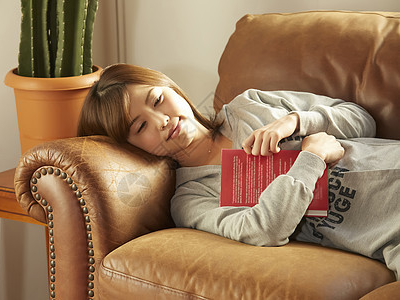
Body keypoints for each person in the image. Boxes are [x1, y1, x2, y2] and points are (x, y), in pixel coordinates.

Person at [78, 63, 400, 280]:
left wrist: (297, 122)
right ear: (132, 148)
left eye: (158, 100)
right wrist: (310, 158)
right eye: (141, 126)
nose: (162, 120)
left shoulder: (249, 106)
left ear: (172, 89)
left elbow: (361, 119)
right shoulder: (190, 198)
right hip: (389, 235)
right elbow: (264, 229)